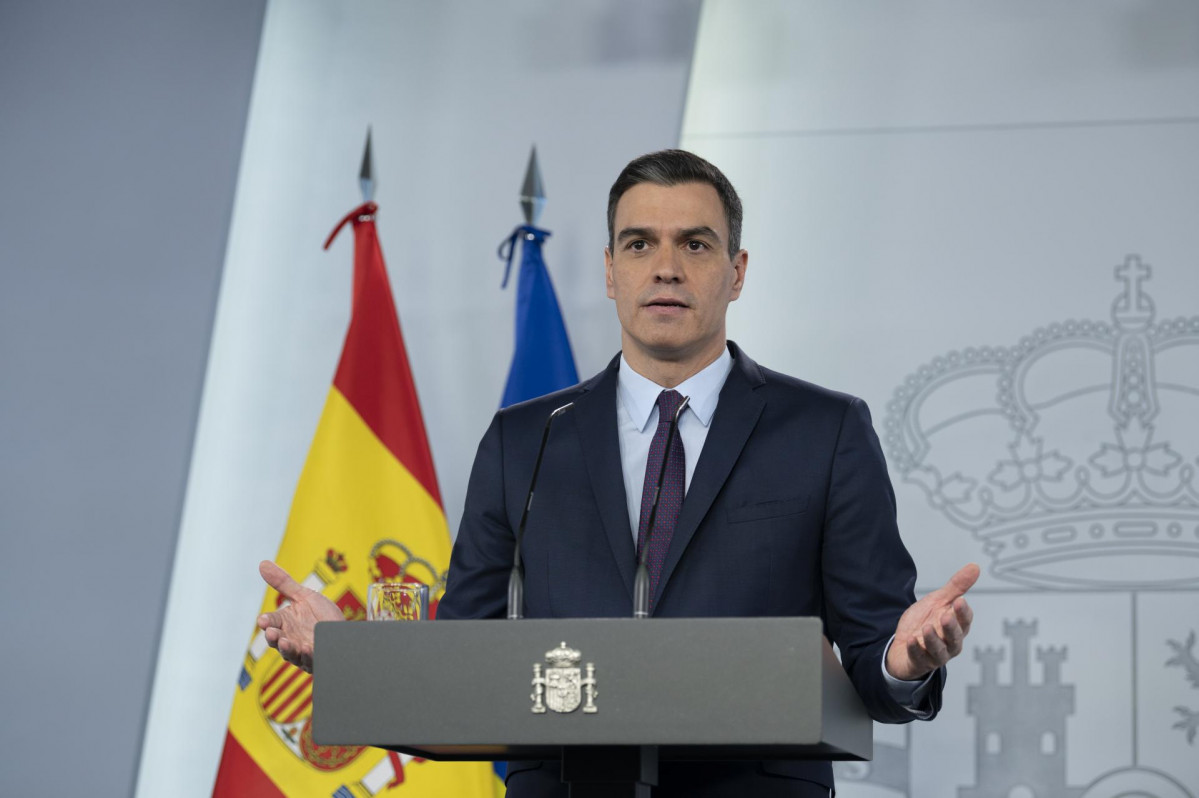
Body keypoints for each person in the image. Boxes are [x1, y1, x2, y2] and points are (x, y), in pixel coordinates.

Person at [259, 149, 977, 797]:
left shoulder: (824, 431)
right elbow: (459, 660)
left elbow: (874, 653)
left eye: (694, 244)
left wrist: (903, 660)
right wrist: (352, 659)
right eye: (639, 244)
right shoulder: (525, 439)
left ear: (736, 272)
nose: (666, 268)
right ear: (610, 271)